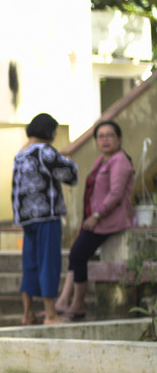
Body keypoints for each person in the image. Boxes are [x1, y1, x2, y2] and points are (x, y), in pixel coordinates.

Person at [55, 120, 134, 319]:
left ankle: (78, 304)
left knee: (79, 254)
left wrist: (96, 216)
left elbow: (115, 194)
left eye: (110, 135)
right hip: (93, 219)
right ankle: (65, 301)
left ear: (119, 139)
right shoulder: (102, 160)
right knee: (75, 254)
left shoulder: (120, 161)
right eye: (101, 136)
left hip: (106, 221)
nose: (105, 140)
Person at [11, 113, 78, 325]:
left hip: (26, 218)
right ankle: (50, 314)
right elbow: (69, 175)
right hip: (46, 216)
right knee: (49, 262)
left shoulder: (20, 154)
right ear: (48, 131)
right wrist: (67, 159)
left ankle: (28, 313)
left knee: (30, 263)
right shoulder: (44, 152)